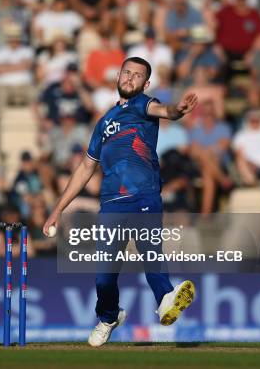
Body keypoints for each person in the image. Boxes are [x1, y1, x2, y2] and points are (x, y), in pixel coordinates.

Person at [42, 57, 198, 346]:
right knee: (104, 278)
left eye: (137, 75)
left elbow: (165, 110)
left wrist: (177, 110)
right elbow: (86, 168)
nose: (130, 78)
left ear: (146, 84)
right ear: (118, 76)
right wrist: (57, 210)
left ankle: (166, 299)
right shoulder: (104, 122)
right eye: (127, 72)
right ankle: (109, 316)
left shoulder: (143, 105)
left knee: (152, 254)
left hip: (145, 196)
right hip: (112, 204)